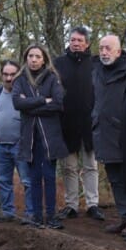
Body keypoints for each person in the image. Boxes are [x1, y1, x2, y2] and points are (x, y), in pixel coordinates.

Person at [12, 44, 68, 230]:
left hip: (49, 138)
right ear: (26, 58)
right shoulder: (20, 80)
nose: (33, 60)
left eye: (37, 56)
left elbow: (58, 104)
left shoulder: (52, 78)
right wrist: (43, 100)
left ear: (44, 59)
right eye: (30, 56)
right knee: (34, 177)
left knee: (49, 176)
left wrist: (30, 107)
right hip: (30, 138)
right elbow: (17, 103)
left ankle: (51, 216)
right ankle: (36, 216)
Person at [91, 34, 126, 236]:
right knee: (114, 178)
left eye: (108, 48)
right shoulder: (95, 70)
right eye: (101, 48)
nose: (104, 52)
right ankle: (124, 216)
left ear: (119, 51)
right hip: (102, 131)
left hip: (124, 131)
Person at [54, 27, 104, 221]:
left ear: (87, 43)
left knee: (91, 165)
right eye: (73, 40)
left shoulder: (95, 64)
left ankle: (93, 204)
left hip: (90, 123)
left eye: (79, 40)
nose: (75, 43)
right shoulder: (58, 63)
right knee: (69, 167)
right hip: (66, 123)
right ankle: (71, 205)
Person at [0, 60, 34, 224]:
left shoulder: (26, 93)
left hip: (21, 145)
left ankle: (31, 213)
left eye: (12, 74)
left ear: (19, 75)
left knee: (27, 180)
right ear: (1, 75)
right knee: (3, 181)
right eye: (5, 74)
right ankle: (7, 212)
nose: (9, 78)